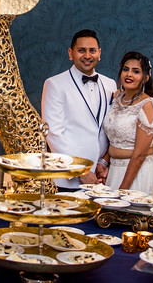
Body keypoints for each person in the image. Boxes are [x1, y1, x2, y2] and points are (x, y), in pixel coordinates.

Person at [41, 29, 117, 189]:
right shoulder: (54, 84)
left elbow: (110, 130)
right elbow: (54, 134)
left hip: (101, 177)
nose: (87, 56)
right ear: (71, 53)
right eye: (81, 50)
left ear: (99, 53)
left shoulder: (110, 85)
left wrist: (103, 163)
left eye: (92, 51)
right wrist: (80, 170)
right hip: (68, 179)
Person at [96, 51, 153, 194]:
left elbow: (139, 155)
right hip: (114, 171)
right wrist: (103, 162)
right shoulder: (117, 98)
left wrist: (122, 190)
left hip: (137, 174)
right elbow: (115, 138)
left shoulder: (146, 105)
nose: (129, 74)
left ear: (145, 77)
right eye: (125, 69)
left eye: (136, 71)